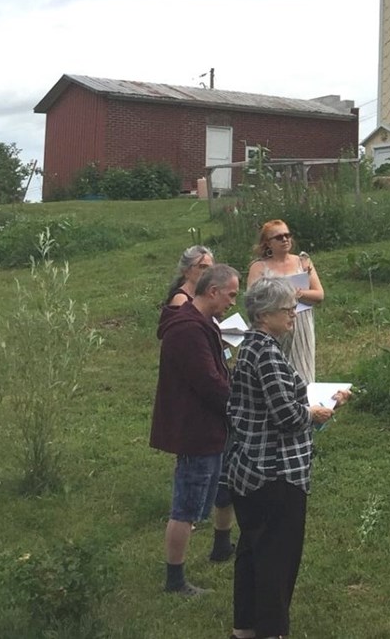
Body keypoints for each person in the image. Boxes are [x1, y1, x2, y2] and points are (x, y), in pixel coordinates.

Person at [224, 276, 349, 639]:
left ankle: (245, 628)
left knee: (252, 552)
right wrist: (318, 411)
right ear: (264, 314)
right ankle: (272, 630)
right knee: (277, 559)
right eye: (287, 309)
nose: (294, 314)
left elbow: (273, 400)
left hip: (249, 468)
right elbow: (288, 416)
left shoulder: (251, 346)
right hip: (275, 473)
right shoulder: (267, 353)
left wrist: (319, 400)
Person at [151, 263, 240, 596]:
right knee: (185, 508)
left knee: (216, 491)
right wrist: (239, 406)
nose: (233, 302)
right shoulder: (188, 330)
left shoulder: (204, 324)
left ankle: (220, 547)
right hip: (195, 430)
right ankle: (175, 581)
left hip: (211, 425)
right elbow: (209, 383)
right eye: (231, 295)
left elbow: (218, 374)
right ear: (213, 291)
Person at [248, 220, 325, 384]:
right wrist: (282, 297)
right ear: (268, 243)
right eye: (279, 237)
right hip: (272, 323)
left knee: (303, 369)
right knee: (274, 370)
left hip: (300, 322)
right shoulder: (259, 267)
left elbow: (319, 294)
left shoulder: (302, 261)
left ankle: (305, 399)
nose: (285, 239)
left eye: (287, 235)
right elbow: (253, 301)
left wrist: (299, 293)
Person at [162, 244, 214, 322]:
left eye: (210, 268)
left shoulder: (206, 296)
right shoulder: (181, 299)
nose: (207, 272)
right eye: (202, 267)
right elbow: (184, 327)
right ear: (186, 271)